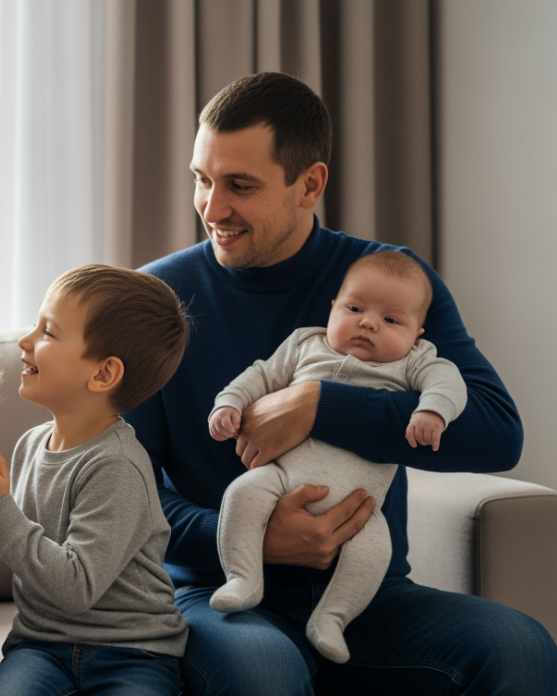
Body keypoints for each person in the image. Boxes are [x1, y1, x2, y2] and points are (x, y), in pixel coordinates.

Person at [128, 71, 557, 694]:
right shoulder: (155, 300)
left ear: (311, 184)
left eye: (239, 185)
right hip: (219, 592)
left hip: (370, 596)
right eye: (202, 179)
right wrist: (253, 538)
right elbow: (123, 493)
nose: (212, 209)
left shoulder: (390, 285)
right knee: (262, 669)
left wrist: (319, 404)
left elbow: (496, 433)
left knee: (520, 647)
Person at [208, 251, 467, 664]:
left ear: (417, 335)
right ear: (333, 309)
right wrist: (229, 404)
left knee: (373, 553)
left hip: (359, 511)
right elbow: (259, 374)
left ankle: (331, 618)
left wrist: (432, 410)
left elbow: (449, 381)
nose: (368, 322)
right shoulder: (305, 344)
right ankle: (243, 578)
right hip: (281, 480)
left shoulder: (414, 362)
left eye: (391, 320)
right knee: (242, 493)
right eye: (355, 308)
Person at [0, 264, 189, 696]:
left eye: (47, 332)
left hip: (132, 654)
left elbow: (75, 587)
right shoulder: (30, 445)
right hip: (40, 649)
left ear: (103, 374)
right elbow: (36, 543)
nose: (25, 341)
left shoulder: (118, 465)